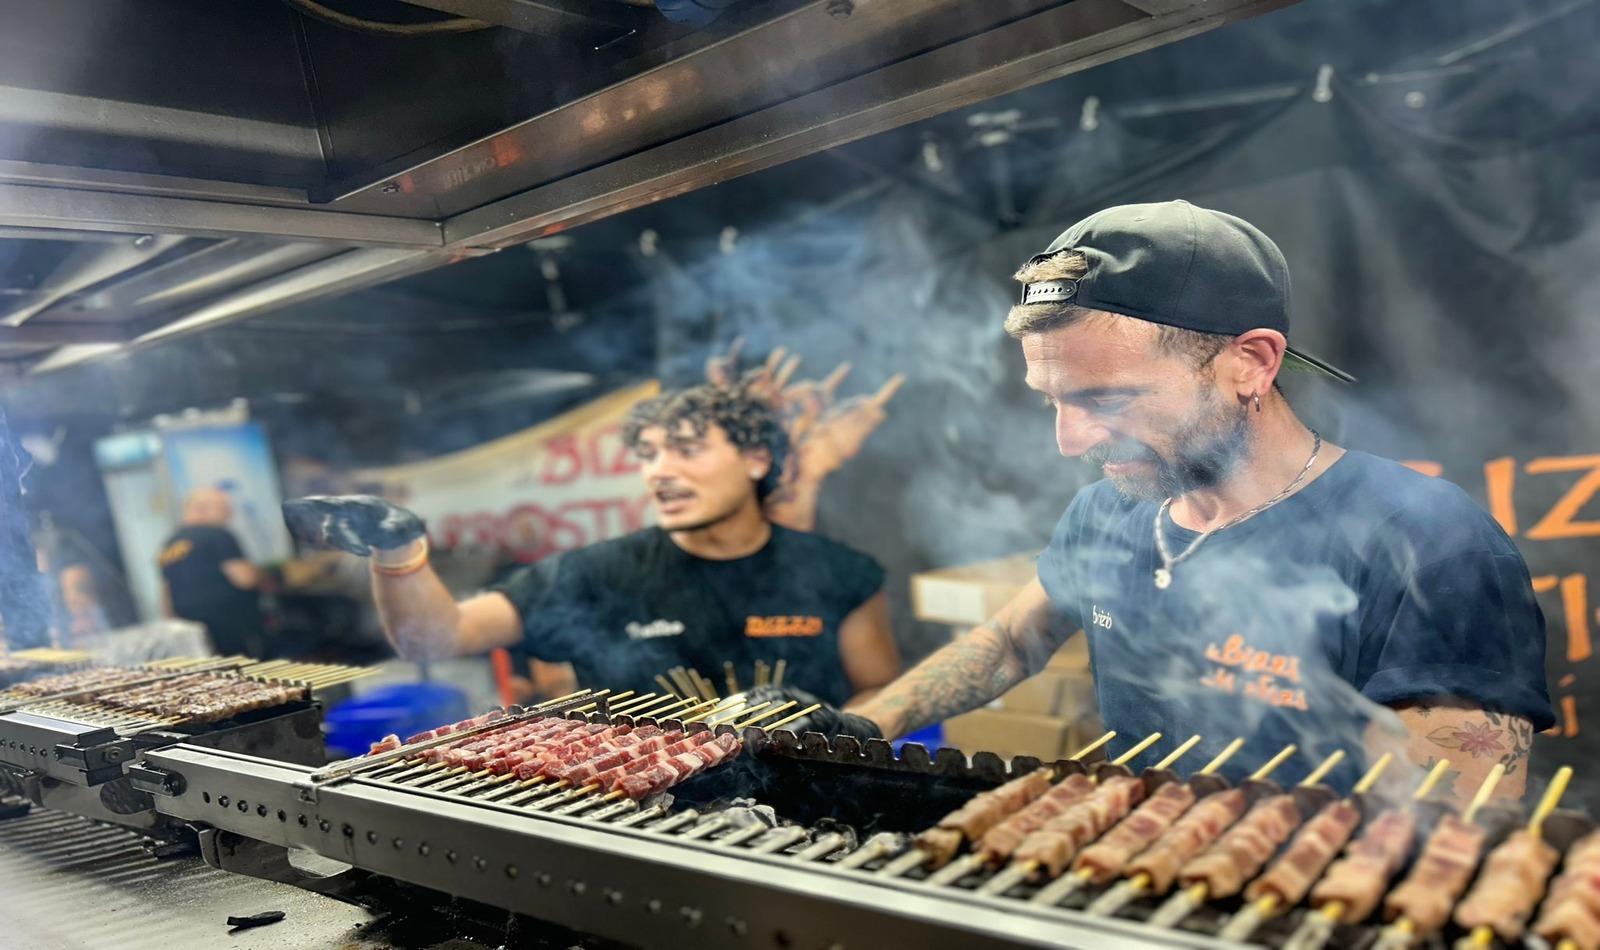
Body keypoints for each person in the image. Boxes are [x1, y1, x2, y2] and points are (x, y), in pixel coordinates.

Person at [748, 200, 1552, 799]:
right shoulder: (1110, 512)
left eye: (1105, 400)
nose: (1070, 442)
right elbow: (1011, 642)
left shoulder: (1428, 541)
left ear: (1250, 363)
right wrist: (868, 724)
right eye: (1051, 402)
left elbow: (1465, 818)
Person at [282, 383, 901, 708]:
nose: (659, 470)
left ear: (757, 459)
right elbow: (439, 638)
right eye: (649, 454)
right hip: (649, 818)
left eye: (686, 451)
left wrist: (835, 723)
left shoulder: (838, 572)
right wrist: (399, 552)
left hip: (808, 817)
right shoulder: (600, 571)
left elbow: (877, 686)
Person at [159, 487, 266, 657]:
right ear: (201, 509)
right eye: (224, 509)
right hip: (231, 626)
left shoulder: (170, 544)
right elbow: (244, 578)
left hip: (193, 631)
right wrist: (264, 574)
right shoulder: (218, 534)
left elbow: (166, 594)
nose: (230, 515)